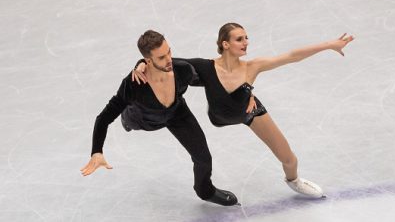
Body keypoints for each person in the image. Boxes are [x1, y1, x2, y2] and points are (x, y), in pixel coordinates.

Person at [133, 23, 354, 198]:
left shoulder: (252, 67)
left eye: (246, 38)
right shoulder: (205, 67)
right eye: (240, 39)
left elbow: (291, 56)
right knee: (199, 89)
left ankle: (294, 181)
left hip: (249, 112)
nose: (246, 42)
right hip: (219, 116)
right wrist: (140, 64)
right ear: (225, 44)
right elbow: (164, 62)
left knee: (290, 160)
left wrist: (328, 45)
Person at [80, 29, 243, 206]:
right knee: (128, 117)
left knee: (203, 157)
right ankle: (126, 120)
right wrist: (97, 151)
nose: (168, 60)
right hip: (143, 119)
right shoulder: (134, 84)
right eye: (161, 58)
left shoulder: (182, 69)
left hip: (177, 114)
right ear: (148, 60)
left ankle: (205, 190)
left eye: (169, 52)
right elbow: (103, 118)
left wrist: (243, 93)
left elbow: (212, 78)